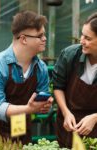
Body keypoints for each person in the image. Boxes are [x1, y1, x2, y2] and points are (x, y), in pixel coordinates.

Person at [0, 10, 53, 150]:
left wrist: (45, 106)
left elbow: (43, 102)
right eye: (40, 35)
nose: (45, 39)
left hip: (20, 129)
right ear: (23, 39)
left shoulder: (41, 68)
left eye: (44, 34)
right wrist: (29, 108)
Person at [52, 12, 97, 148]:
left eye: (88, 38)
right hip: (69, 125)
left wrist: (95, 117)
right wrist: (66, 112)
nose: (81, 41)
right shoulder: (70, 55)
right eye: (82, 35)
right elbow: (58, 86)